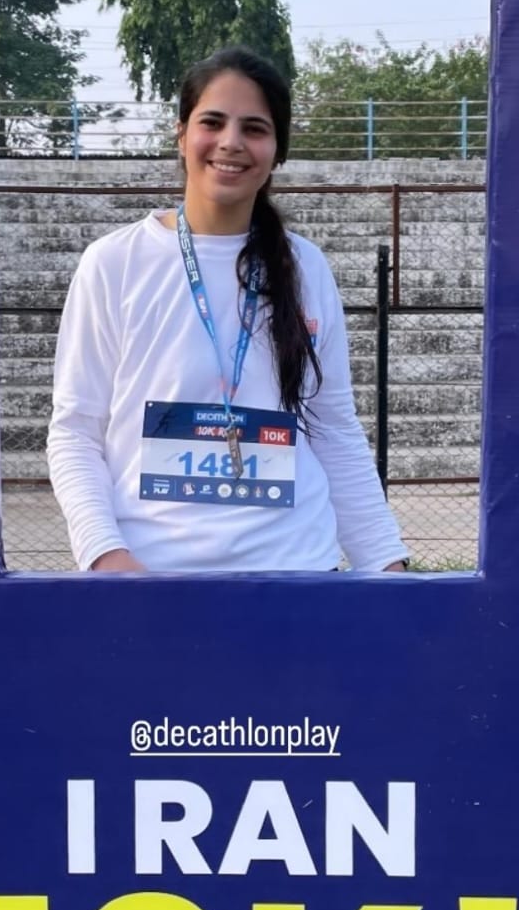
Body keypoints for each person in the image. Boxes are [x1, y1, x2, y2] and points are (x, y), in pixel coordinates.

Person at [46, 45, 410, 574]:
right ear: (181, 134)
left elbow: (333, 429)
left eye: (255, 128)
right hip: (152, 581)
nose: (231, 142)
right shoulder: (115, 263)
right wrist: (105, 555)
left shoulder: (306, 268)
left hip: (297, 575)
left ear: (278, 151)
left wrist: (385, 563)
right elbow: (76, 431)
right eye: (212, 122)